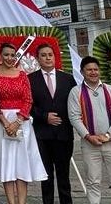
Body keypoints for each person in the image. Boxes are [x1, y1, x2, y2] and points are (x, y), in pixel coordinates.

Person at [0, 42, 46, 204]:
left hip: (22, 123)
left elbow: (28, 100)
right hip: (2, 123)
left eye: (12, 55)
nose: (9, 58)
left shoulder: (22, 75)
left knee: (22, 163)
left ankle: (22, 202)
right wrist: (5, 122)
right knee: (7, 163)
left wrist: (18, 121)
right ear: (0, 56)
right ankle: (11, 202)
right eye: (6, 54)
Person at [67, 56, 111, 204]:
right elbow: (74, 117)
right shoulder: (76, 92)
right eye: (89, 70)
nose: (93, 72)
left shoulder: (110, 90)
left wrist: (108, 134)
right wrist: (88, 136)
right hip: (90, 144)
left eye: (95, 69)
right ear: (82, 72)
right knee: (93, 182)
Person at [29, 43, 77, 204]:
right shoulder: (30, 79)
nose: (48, 58)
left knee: (64, 176)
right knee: (46, 176)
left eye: (50, 54)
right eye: (43, 55)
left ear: (55, 56)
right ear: (37, 59)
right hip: (43, 135)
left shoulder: (67, 79)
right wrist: (44, 117)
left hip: (64, 134)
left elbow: (75, 104)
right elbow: (28, 105)